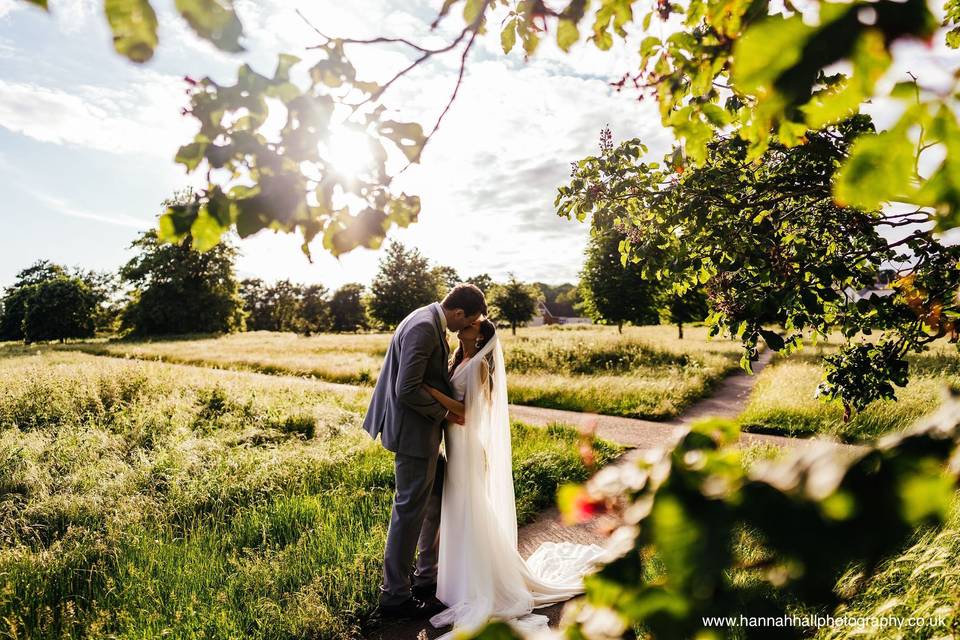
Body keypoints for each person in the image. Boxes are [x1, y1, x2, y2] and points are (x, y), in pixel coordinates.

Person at [422, 318, 605, 637]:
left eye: (470, 326)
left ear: (481, 337)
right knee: (461, 509)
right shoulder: (458, 359)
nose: (462, 327)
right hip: (454, 444)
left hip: (466, 448)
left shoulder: (479, 366)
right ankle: (459, 578)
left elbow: (466, 413)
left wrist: (431, 392)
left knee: (470, 508)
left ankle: (481, 581)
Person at [363, 283, 487, 619]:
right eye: (469, 320)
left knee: (437, 496)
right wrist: (446, 414)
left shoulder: (426, 319)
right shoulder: (423, 327)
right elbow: (407, 389)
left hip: (421, 434)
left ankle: (425, 577)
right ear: (459, 312)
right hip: (413, 435)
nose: (467, 327)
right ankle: (395, 597)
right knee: (409, 511)